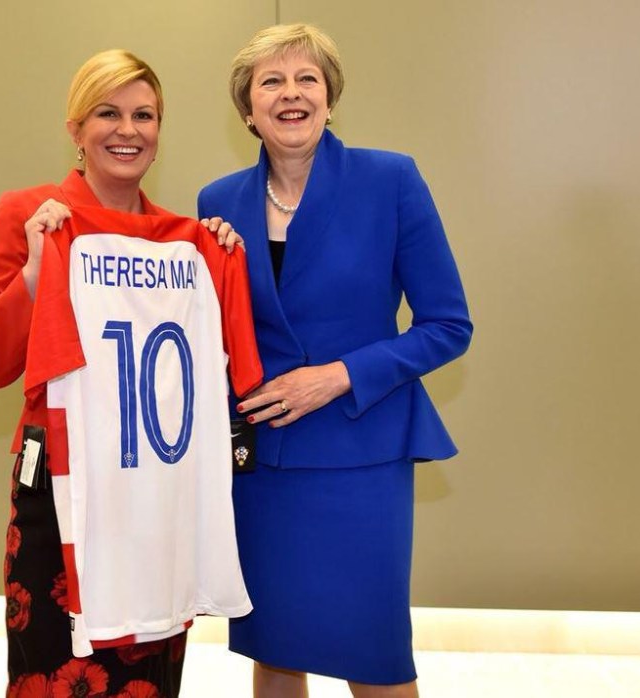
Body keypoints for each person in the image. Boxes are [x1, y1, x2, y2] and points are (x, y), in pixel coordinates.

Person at [0, 49, 250, 698]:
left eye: (144, 115)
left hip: (155, 498)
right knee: (57, 678)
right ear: (75, 129)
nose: (128, 130)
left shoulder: (179, 243)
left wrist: (219, 259)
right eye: (108, 113)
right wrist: (35, 271)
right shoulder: (28, 214)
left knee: (147, 680)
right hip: (59, 498)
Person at [197, 24, 473, 698]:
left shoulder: (391, 179)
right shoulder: (217, 202)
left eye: (306, 80)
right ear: (247, 107)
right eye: (272, 82)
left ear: (329, 96)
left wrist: (339, 376)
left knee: (374, 657)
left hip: (362, 454)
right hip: (265, 467)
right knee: (276, 650)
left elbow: (447, 325)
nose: (291, 94)